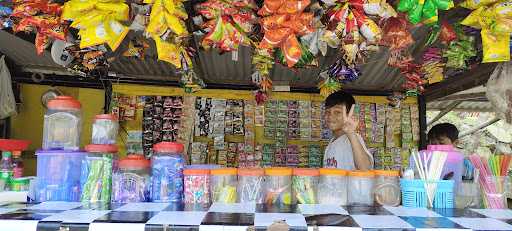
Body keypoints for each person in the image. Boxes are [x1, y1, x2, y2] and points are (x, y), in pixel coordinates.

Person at [323, 91, 373, 170]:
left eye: (337, 112)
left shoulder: (352, 139)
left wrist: (351, 133)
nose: (330, 116)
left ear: (349, 114)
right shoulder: (332, 142)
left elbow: (365, 169)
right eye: (327, 112)